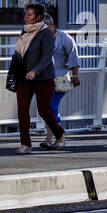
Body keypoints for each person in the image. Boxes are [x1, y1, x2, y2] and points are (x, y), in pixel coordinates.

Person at [8, 2, 64, 154]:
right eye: (26, 14)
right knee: (22, 110)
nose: (26, 17)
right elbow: (18, 54)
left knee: (44, 110)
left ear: (38, 17)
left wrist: (35, 70)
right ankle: (26, 144)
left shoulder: (45, 33)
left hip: (43, 77)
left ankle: (59, 134)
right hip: (23, 77)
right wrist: (13, 73)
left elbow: (47, 55)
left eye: (29, 14)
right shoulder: (25, 31)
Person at [42, 14, 80, 149]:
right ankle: (49, 139)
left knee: (51, 108)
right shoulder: (39, 39)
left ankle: (59, 136)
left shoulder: (65, 38)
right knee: (47, 109)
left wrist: (75, 76)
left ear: (52, 26)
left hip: (60, 79)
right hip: (44, 79)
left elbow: (73, 56)